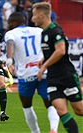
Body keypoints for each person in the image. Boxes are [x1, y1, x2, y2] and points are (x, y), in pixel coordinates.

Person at [32, 2, 83, 133]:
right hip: (53, 78)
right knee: (60, 110)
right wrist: (44, 59)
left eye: (34, 15)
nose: (32, 18)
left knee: (79, 110)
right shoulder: (44, 33)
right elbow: (53, 51)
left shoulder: (56, 30)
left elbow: (60, 51)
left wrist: (44, 66)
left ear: (42, 15)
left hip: (66, 75)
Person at [4, 12, 59, 133]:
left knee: (27, 106)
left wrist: (9, 61)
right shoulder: (38, 30)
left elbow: (10, 44)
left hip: (26, 74)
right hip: (42, 70)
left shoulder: (11, 33)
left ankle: (36, 132)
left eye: (9, 23)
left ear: (13, 23)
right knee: (50, 103)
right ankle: (53, 129)